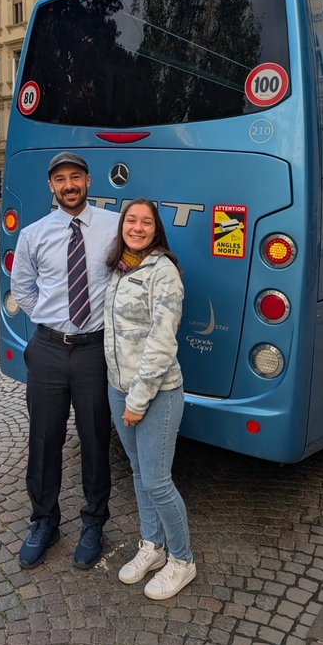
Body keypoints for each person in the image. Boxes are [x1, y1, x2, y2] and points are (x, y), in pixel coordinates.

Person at [11, 152, 119, 570]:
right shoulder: (34, 234)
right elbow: (22, 288)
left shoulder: (114, 225)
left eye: (75, 177)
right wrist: (53, 317)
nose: (69, 185)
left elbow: (132, 270)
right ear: (51, 187)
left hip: (95, 349)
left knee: (95, 439)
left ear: (88, 181)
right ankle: (44, 522)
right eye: (60, 179)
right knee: (44, 439)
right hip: (49, 348)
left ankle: (94, 522)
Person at [104, 198, 196, 600]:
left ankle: (182, 560)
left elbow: (161, 344)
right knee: (139, 473)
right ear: (122, 225)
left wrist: (137, 400)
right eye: (130, 220)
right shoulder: (121, 267)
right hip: (117, 387)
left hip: (156, 394)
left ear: (156, 230)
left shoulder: (164, 273)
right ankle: (152, 547)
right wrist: (117, 387)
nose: (136, 227)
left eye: (145, 222)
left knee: (158, 481)